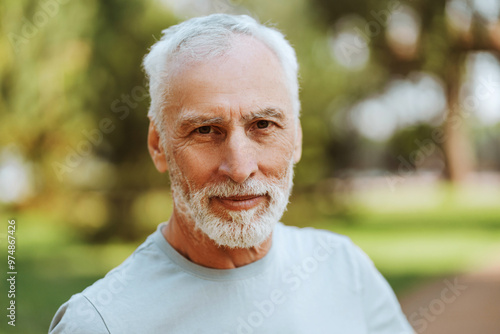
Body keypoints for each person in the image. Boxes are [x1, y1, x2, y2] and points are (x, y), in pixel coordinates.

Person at [49, 13, 414, 334]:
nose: (239, 169)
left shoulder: (343, 269)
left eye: (263, 124)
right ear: (158, 145)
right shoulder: (100, 323)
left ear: (297, 138)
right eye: (206, 130)